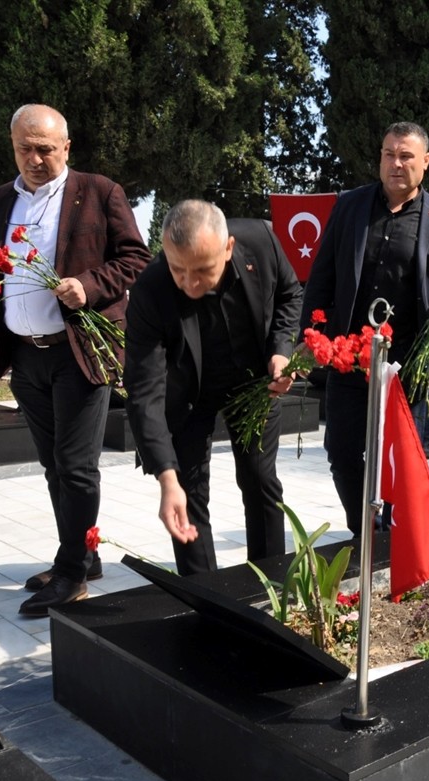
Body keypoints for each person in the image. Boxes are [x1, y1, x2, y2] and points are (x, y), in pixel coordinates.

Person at [0, 104, 149, 616]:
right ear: (13, 146)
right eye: (24, 148)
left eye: (45, 149)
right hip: (25, 358)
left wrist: (89, 285)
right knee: (54, 467)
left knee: (76, 468)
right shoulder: (2, 200)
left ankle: (73, 574)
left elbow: (136, 258)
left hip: (78, 353)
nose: (34, 158)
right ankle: (81, 553)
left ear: (67, 147)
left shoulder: (99, 192)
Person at [299, 122, 429, 534]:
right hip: (350, 357)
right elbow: (321, 276)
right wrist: (310, 335)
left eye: (406, 156)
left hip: (408, 367)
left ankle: (395, 535)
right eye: (389, 154)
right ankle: (365, 529)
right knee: (341, 451)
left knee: (403, 460)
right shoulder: (349, 207)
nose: (396, 163)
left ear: (425, 163)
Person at [124, 201, 302, 575]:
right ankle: (204, 596)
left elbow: (290, 295)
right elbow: (144, 391)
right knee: (186, 493)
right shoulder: (150, 291)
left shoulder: (262, 241)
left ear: (229, 248)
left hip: (254, 381)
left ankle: (269, 583)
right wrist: (166, 478)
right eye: (178, 270)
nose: (190, 284)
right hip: (187, 394)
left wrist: (281, 351)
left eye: (203, 270)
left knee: (259, 478)